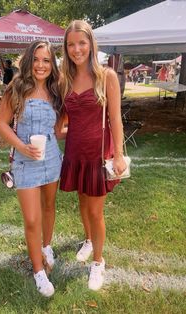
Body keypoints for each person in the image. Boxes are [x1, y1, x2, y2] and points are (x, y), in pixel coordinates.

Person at [59, 20, 126, 291]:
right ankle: (88, 240)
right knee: (83, 202)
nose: (77, 49)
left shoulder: (106, 76)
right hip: (75, 153)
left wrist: (119, 154)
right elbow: (63, 120)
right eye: (71, 44)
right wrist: (55, 131)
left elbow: (115, 119)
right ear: (66, 48)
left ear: (91, 44)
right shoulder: (63, 79)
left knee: (96, 211)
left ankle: (98, 262)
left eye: (82, 43)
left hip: (98, 154)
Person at [0, 40, 64, 297]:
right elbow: (1, 124)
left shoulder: (56, 90)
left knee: (49, 207)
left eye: (46, 60)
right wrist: (22, 147)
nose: (40, 65)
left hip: (51, 159)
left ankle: (46, 246)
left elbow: (58, 129)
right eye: (36, 59)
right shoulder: (17, 87)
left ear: (52, 64)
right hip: (25, 162)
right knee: (32, 219)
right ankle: (38, 272)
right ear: (28, 60)